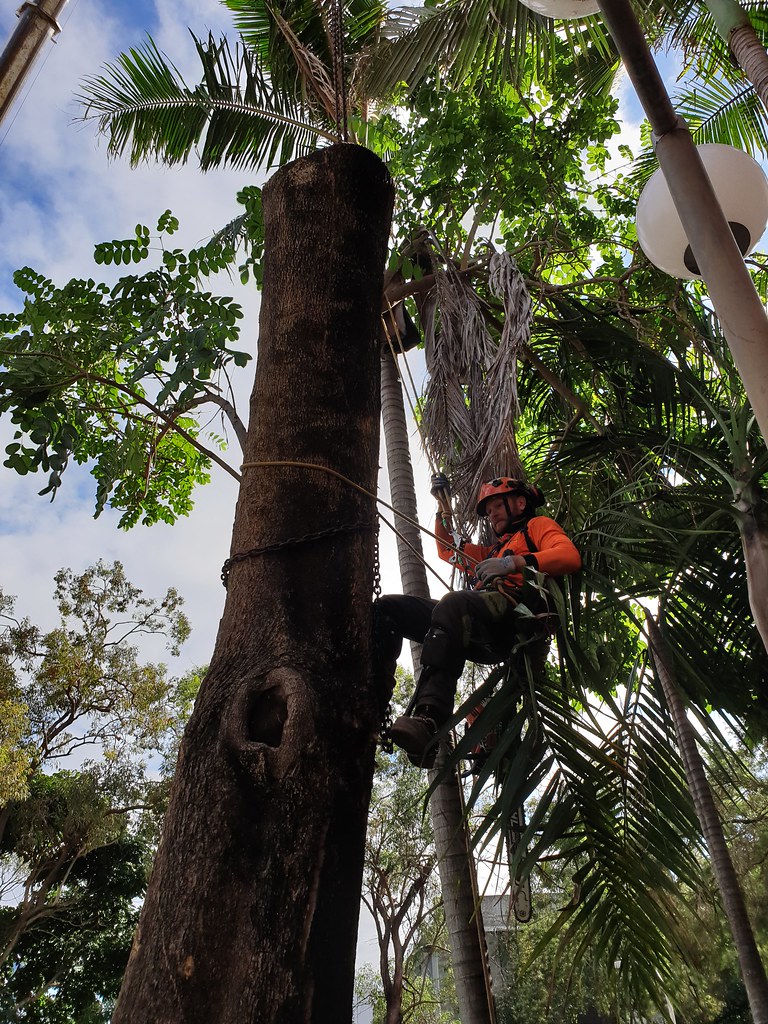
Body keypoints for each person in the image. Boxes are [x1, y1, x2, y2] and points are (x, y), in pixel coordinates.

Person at [373, 475, 581, 767]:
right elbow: (447, 550)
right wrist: (441, 508)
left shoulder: (536, 527)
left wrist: (514, 563)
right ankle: (372, 702)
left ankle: (430, 720)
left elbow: (569, 555)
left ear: (520, 503)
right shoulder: (491, 552)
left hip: (512, 621)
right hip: (473, 620)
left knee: (453, 604)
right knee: (388, 609)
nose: (492, 514)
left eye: (497, 505)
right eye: (489, 509)